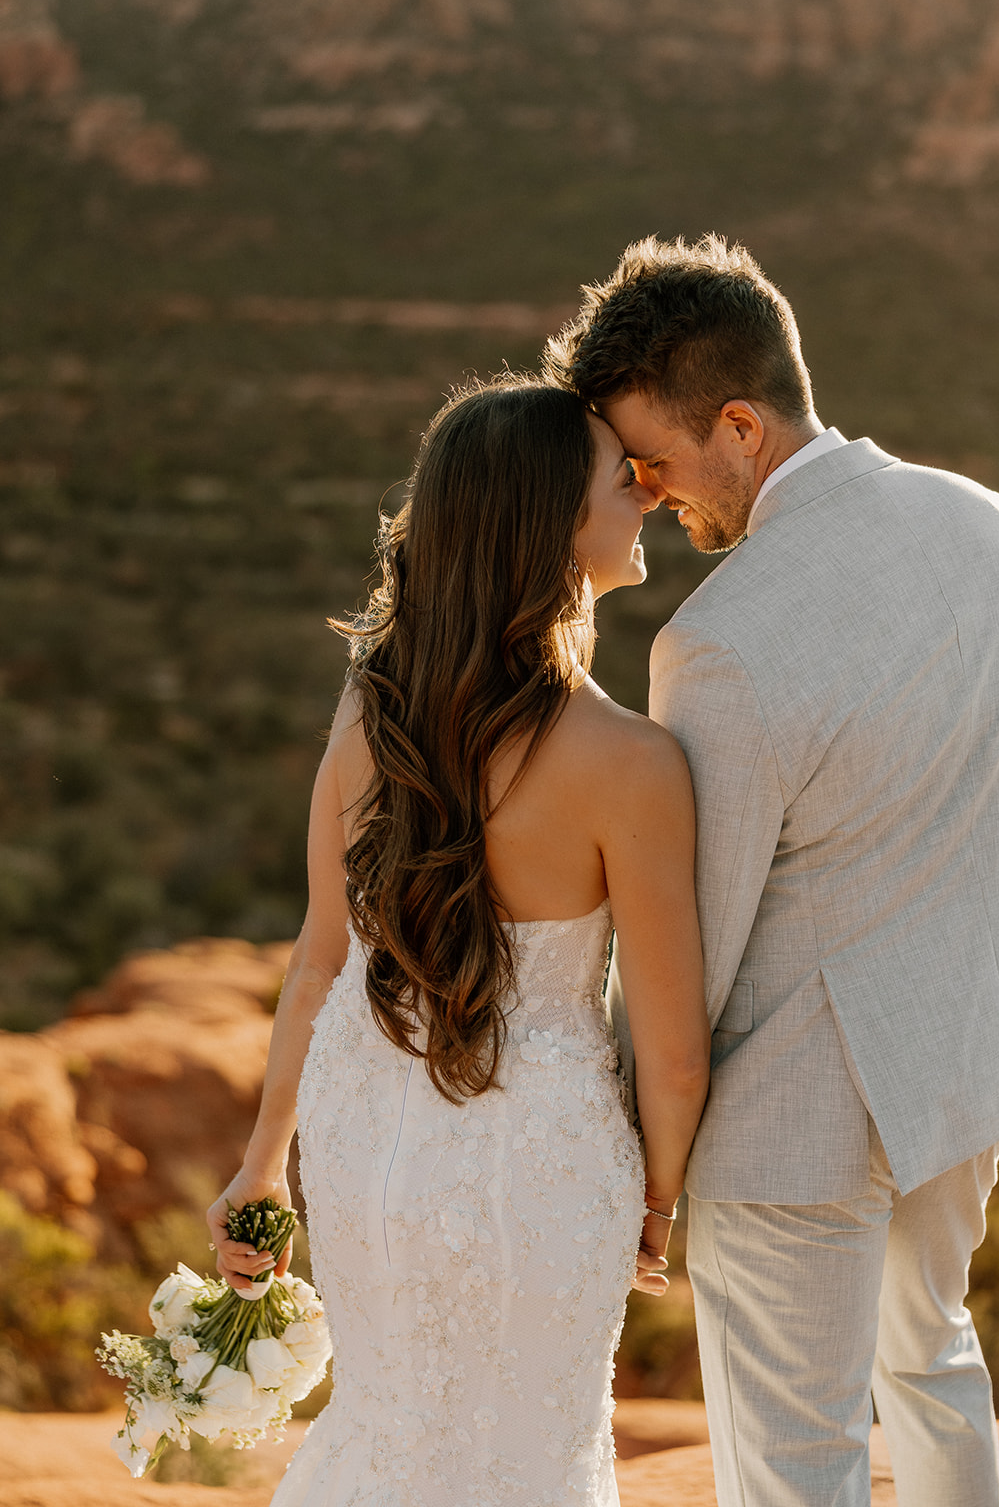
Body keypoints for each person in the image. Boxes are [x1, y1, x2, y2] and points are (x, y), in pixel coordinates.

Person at [544, 234, 999, 1507]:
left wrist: (645, 1165)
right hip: (969, 1048)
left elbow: (695, 943)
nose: (651, 494)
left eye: (653, 461)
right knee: (931, 1349)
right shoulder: (991, 524)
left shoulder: (719, 641)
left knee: (794, 1463)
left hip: (798, 1114)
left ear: (738, 422)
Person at [207, 378, 710, 1506]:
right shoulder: (632, 765)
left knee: (391, 1421)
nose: (641, 494)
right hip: (540, 1162)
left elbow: (319, 963)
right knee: (524, 1452)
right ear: (550, 523)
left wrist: (261, 1166)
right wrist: (659, 1203)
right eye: (615, 478)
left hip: (366, 1140)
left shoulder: (368, 711)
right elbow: (671, 1050)